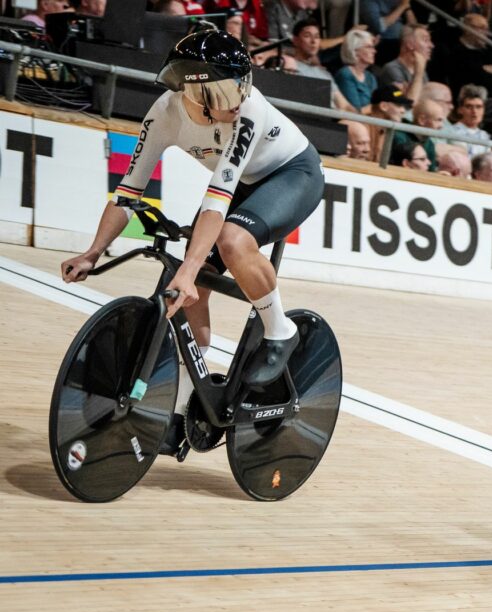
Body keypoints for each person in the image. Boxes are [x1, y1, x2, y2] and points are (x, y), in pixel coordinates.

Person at [61, 31, 323, 452]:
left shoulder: (247, 112)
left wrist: (188, 265)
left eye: (241, 86)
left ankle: (280, 329)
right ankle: (186, 408)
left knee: (233, 242)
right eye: (224, 91)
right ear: (192, 90)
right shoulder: (164, 113)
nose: (237, 99)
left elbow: (216, 204)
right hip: (241, 185)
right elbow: (128, 192)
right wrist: (93, 252)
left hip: (293, 174)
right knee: (192, 291)